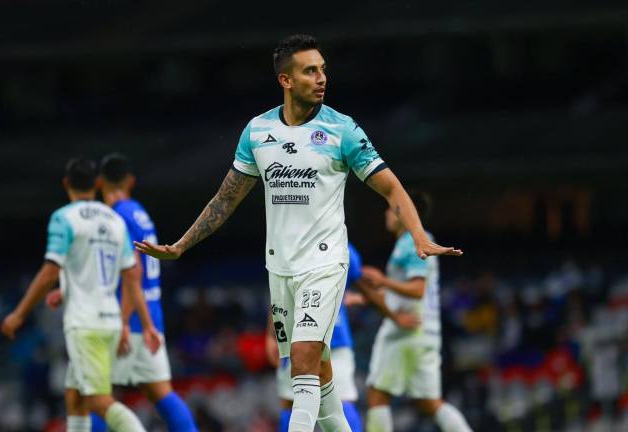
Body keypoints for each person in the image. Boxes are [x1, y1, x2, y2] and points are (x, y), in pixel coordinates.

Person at [136, 34, 462, 432]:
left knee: (303, 362)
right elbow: (225, 200)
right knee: (319, 375)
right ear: (286, 80)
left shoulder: (342, 130)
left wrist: (418, 236)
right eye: (310, 71)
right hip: (280, 268)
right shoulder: (258, 132)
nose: (321, 78)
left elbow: (392, 187)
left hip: (324, 263)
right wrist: (181, 246)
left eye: (323, 69)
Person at [1, 158, 158, 432]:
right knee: (75, 397)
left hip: (85, 324)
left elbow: (50, 271)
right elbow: (132, 275)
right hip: (110, 321)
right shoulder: (114, 220)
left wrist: (19, 313)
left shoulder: (64, 218)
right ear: (97, 184)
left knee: (98, 401)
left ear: (66, 184)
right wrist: (136, 323)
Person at [47, 153, 197, 431]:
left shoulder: (116, 217)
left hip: (124, 318)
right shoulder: (140, 213)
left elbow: (131, 273)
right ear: (131, 181)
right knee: (161, 393)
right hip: (151, 317)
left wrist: (124, 321)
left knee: (92, 395)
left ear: (99, 183)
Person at [267, 242, 420, 432]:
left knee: (297, 401)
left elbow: (280, 291)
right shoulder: (338, 245)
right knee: (328, 399)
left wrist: (272, 334)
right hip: (323, 336)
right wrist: (272, 334)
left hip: (308, 336)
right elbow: (280, 291)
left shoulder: (301, 243)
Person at [359, 192, 473, 432]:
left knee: (378, 394)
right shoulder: (420, 239)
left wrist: (383, 281)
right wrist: (364, 297)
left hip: (405, 330)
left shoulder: (411, 242)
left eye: (391, 208)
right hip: (426, 330)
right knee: (429, 403)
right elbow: (407, 290)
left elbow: (417, 289)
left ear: (405, 211)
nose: (386, 213)